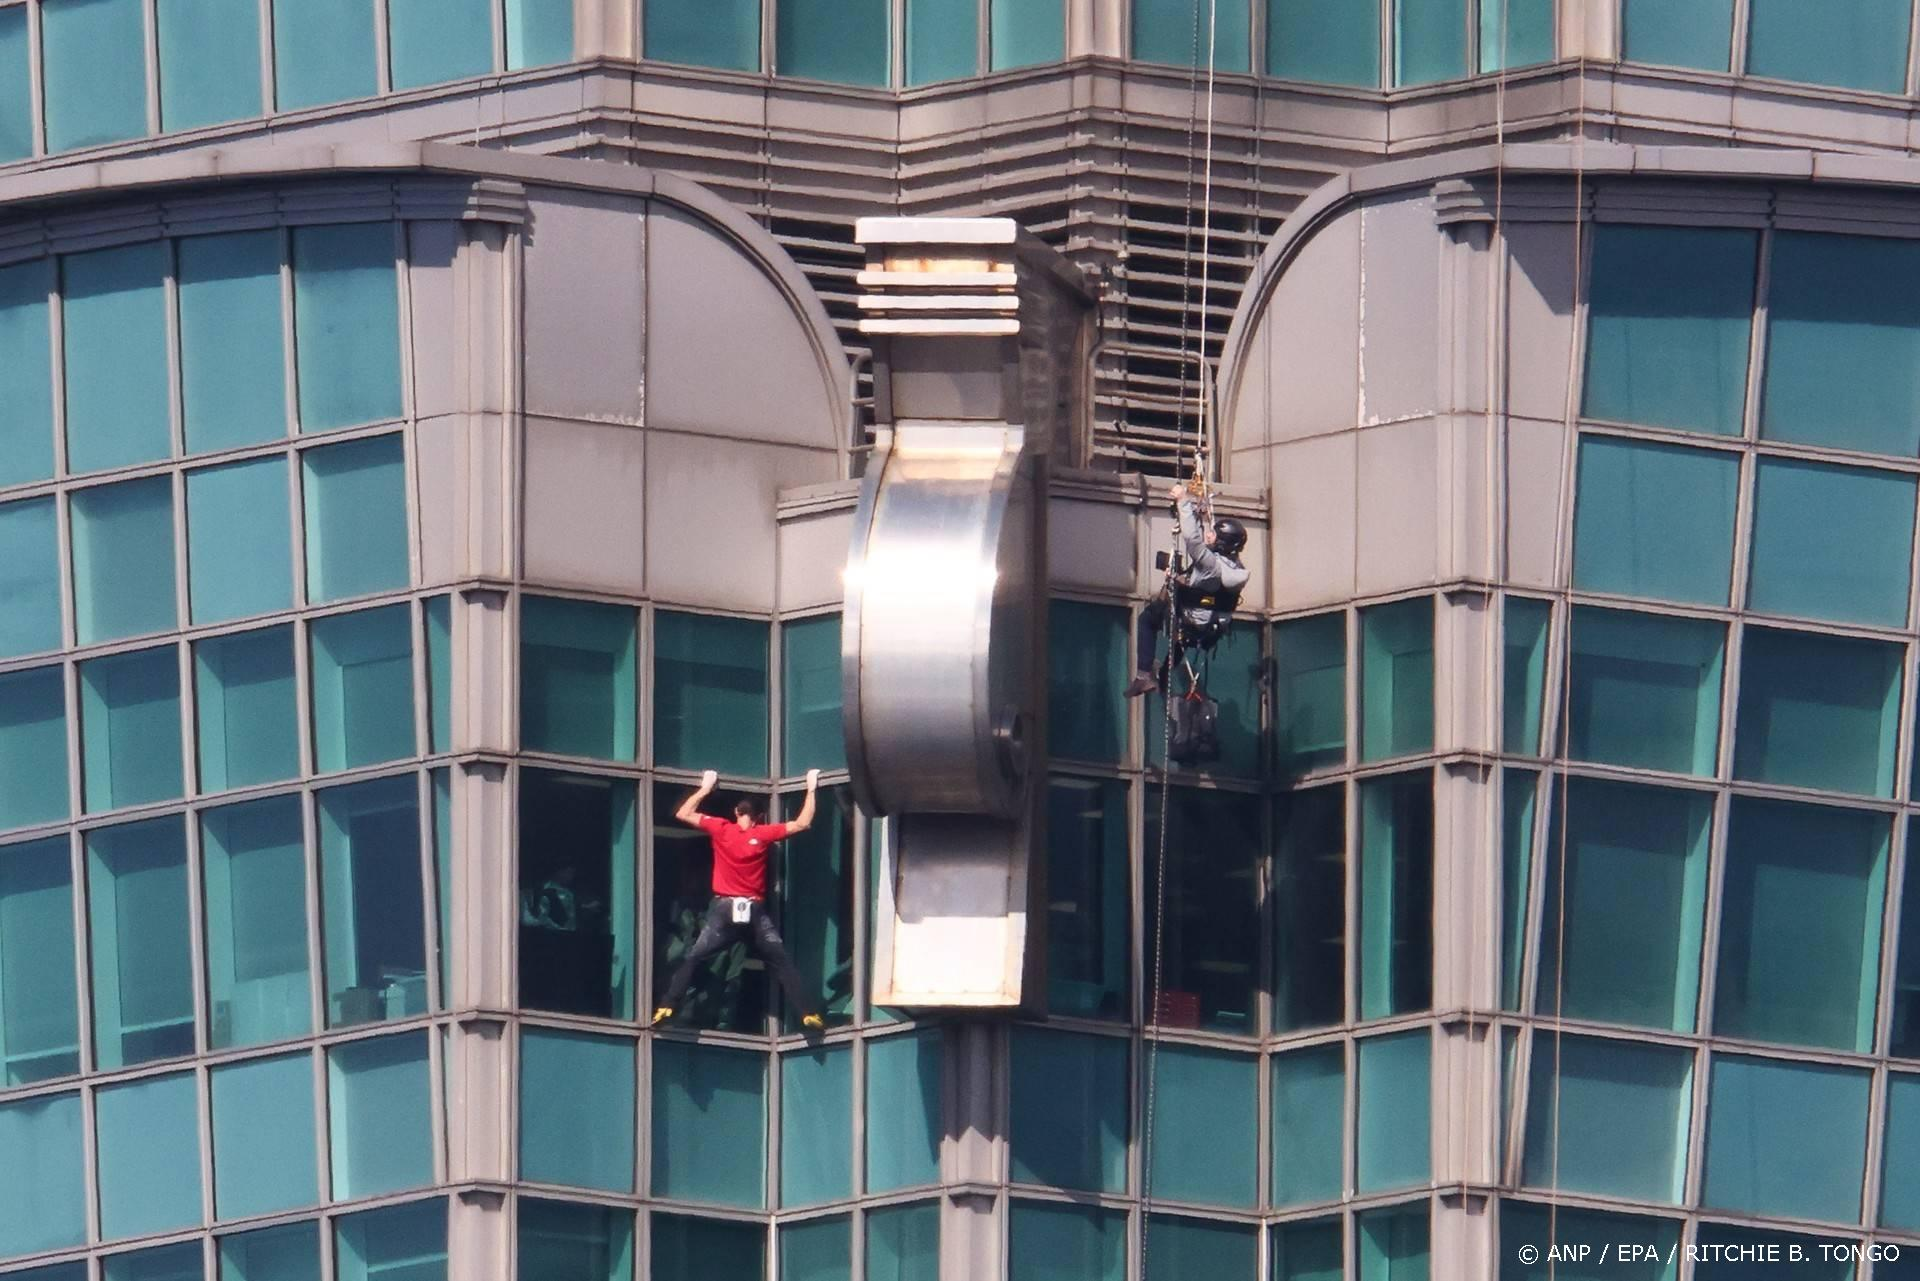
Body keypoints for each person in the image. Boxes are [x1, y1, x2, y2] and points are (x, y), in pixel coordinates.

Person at [652, 766, 826, 1030]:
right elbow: (803, 822)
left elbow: (683, 813)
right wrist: (811, 788)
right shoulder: (762, 834)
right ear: (760, 817)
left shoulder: (722, 828)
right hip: (754, 911)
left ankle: (667, 1005)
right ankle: (808, 1013)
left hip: (724, 909)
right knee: (780, 962)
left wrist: (705, 788)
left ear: (736, 813)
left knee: (694, 956)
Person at [1126, 481, 1250, 697]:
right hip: (1209, 628)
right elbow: (1206, 586)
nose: (1208, 536)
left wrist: (1183, 500)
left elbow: (1192, 540)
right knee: (1181, 633)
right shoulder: (1235, 568)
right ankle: (1164, 675)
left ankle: (1143, 676)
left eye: (1213, 535)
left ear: (1221, 543)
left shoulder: (1211, 566)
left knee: (1147, 619)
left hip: (1191, 621)